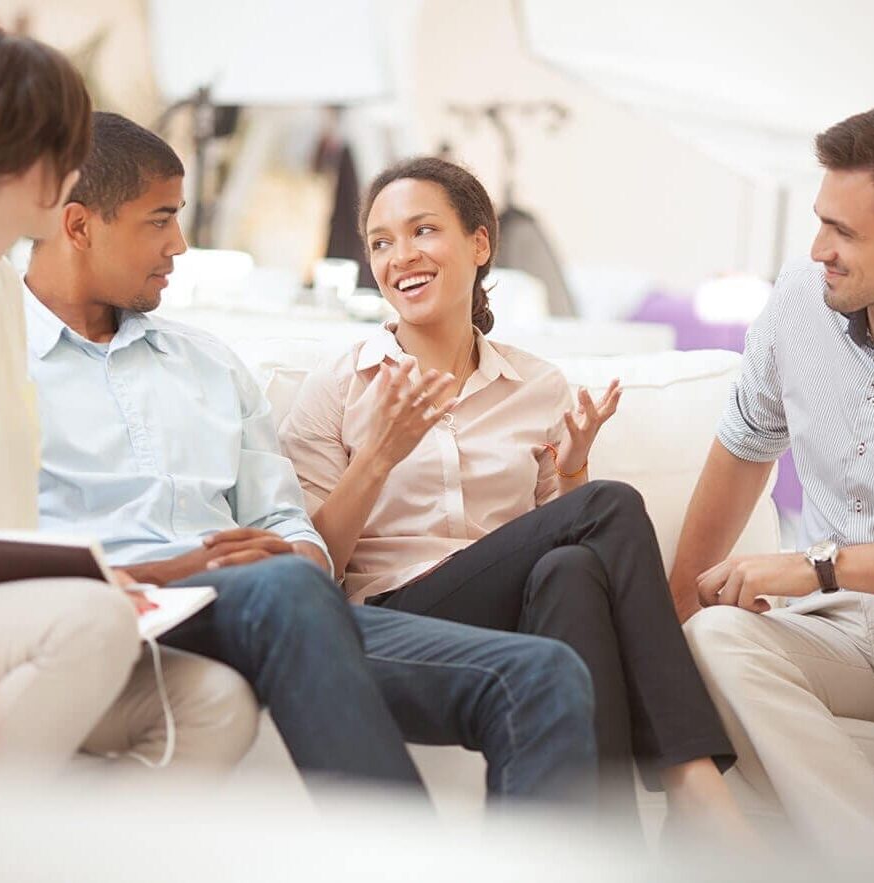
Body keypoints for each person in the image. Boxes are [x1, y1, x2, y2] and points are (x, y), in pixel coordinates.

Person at [24, 110, 598, 803]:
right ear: (81, 226)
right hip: (107, 607)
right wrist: (180, 565)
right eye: (159, 219)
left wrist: (292, 553)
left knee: (545, 674)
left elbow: (289, 527)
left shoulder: (209, 365)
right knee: (285, 589)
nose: (179, 243)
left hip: (265, 608)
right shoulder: (6, 365)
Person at [280, 155, 744, 838]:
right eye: (380, 241)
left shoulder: (537, 387)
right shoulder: (339, 385)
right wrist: (378, 456)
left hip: (508, 619)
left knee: (573, 568)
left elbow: (551, 543)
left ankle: (592, 852)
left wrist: (574, 473)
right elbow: (312, 572)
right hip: (392, 617)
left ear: (479, 243)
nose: (399, 255)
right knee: (608, 507)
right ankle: (691, 777)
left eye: (422, 231)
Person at [0, 28, 257, 778]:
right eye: (68, 148)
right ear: (23, 155)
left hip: (11, 604)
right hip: (28, 616)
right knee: (90, 623)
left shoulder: (6, 299)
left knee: (213, 702)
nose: (80, 170)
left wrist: (98, 571)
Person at [671, 108, 874, 852]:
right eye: (821, 221)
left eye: (843, 233)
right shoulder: (798, 302)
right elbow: (739, 455)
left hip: (834, 586)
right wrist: (670, 640)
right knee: (718, 636)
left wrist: (811, 566)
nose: (819, 249)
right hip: (848, 631)